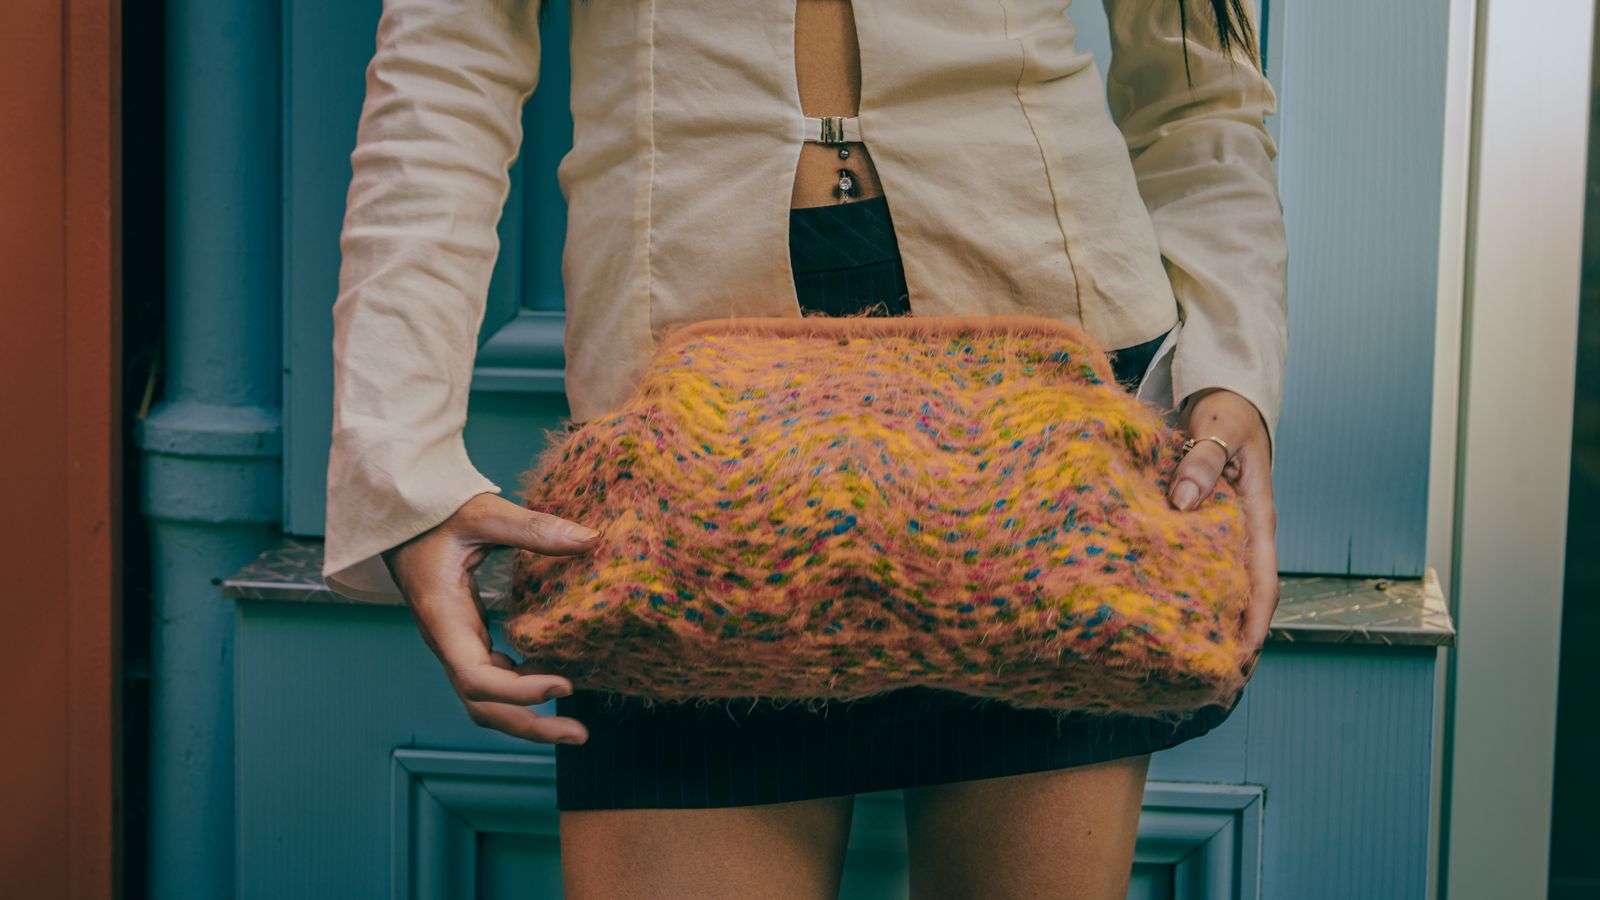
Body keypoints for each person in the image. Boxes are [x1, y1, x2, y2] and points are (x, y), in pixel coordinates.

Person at [322, 0, 1285, 895]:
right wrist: (402, 465)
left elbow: (1204, 90)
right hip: (685, 443)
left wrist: (1232, 376)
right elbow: (446, 66)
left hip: (1050, 421)